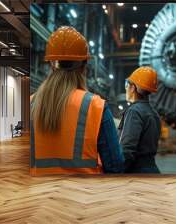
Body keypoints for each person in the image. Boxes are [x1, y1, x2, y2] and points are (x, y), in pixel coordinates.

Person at [30, 26, 124, 175]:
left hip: (37, 193)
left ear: (51, 64)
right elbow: (115, 165)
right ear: (84, 67)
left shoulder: (30, 104)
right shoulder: (96, 106)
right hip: (84, 194)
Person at [119, 66, 161, 173]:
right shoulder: (154, 113)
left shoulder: (134, 111)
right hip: (152, 169)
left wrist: (118, 172)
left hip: (137, 171)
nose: (126, 88)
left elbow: (127, 150)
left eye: (127, 84)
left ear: (133, 87)